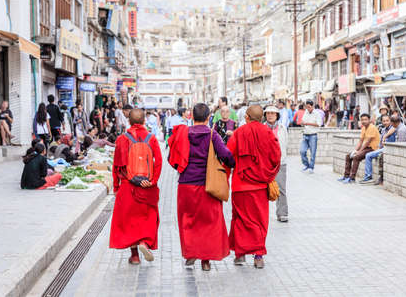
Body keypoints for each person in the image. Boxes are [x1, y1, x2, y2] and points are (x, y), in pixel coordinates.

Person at [168, 103, 235, 271]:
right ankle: (206, 260)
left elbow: (172, 158)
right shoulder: (212, 135)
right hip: (208, 185)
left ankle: (191, 254)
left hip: (186, 185)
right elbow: (226, 155)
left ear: (191, 117)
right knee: (209, 223)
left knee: (188, 221)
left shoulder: (183, 134)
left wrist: (183, 169)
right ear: (208, 118)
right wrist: (232, 164)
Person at [227, 105, 281, 269]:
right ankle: (258, 256)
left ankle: (240, 254)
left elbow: (228, 155)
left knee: (241, 220)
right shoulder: (268, 133)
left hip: (240, 185)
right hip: (259, 187)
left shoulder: (239, 133)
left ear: (247, 117)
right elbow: (276, 157)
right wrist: (268, 175)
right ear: (262, 117)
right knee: (259, 221)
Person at [109, 109, 163, 265]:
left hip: (127, 185)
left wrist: (115, 186)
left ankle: (134, 256)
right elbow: (158, 162)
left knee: (129, 221)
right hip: (146, 185)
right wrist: (152, 181)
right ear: (144, 122)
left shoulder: (121, 139)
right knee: (148, 217)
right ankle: (144, 243)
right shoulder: (151, 138)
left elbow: (117, 166)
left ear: (129, 122)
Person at [338, 113, 380, 184]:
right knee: (348, 156)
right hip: (366, 148)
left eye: (365, 119)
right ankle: (346, 176)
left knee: (356, 157)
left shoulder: (372, 127)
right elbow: (361, 141)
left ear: (369, 120)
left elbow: (367, 142)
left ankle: (352, 178)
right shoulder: (363, 128)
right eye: (362, 120)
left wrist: (359, 151)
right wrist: (355, 150)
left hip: (372, 148)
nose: (364, 121)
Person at [264, 106, 288, 223]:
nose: (270, 115)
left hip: (280, 163)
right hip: (265, 164)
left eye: (273, 113)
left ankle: (282, 213)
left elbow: (285, 144)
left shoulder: (283, 128)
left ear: (277, 115)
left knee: (281, 189)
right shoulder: (262, 128)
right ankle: (262, 215)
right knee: (263, 190)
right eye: (268, 113)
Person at [359, 114, 396, 185]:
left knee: (368, 155)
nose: (385, 122)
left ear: (390, 121)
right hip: (382, 148)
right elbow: (381, 141)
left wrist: (386, 136)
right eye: (384, 121)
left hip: (389, 148)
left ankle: (368, 177)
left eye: (387, 121)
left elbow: (395, 127)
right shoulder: (384, 129)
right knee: (370, 155)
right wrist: (378, 148)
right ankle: (369, 176)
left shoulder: (392, 128)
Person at [300, 100, 322, 174]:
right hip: (305, 134)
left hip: (313, 135)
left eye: (309, 107)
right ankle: (306, 164)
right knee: (302, 151)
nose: (308, 108)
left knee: (313, 153)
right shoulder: (305, 112)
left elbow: (318, 124)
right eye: (306, 107)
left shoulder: (317, 114)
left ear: (312, 106)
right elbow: (303, 121)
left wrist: (307, 123)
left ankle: (311, 167)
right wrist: (302, 123)